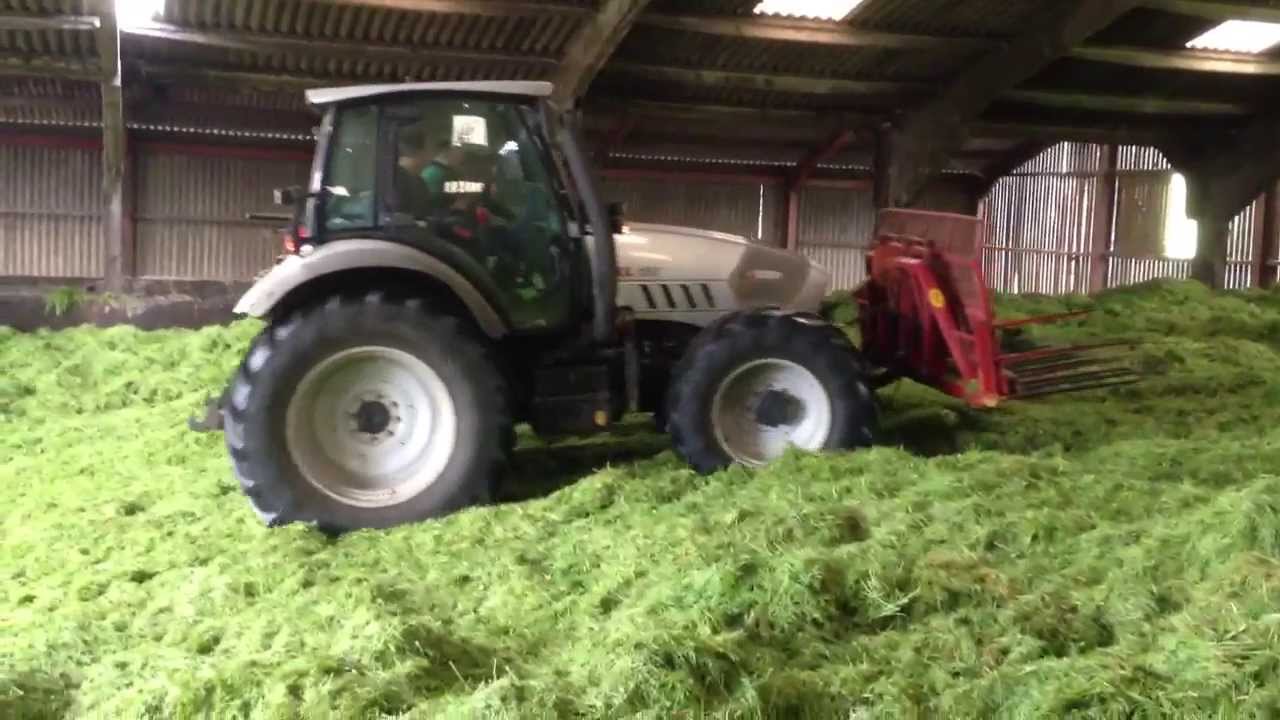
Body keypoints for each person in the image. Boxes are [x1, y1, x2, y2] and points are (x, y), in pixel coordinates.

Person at [391, 125, 436, 220]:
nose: (433, 154)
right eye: (431, 148)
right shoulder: (402, 181)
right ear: (423, 150)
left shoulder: (390, 176)